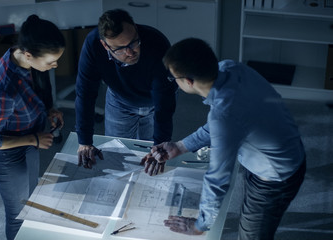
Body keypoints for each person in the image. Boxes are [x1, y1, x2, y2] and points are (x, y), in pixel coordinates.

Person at [144, 38, 306, 240]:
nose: (173, 81)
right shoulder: (230, 68)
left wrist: (200, 225)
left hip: (275, 177)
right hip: (285, 148)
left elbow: (219, 178)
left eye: (173, 78)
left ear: (188, 82)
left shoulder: (225, 115)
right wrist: (180, 146)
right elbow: (223, 126)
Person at [0, 15, 65, 240]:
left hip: (28, 142)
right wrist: (34, 140)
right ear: (28, 55)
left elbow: (35, 92)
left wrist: (49, 110)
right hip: (7, 155)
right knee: (18, 215)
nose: (55, 65)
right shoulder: (5, 91)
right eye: (51, 62)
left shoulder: (23, 56)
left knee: (30, 203)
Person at [74, 9, 178, 168]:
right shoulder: (93, 44)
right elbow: (85, 94)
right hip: (120, 101)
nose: (130, 52)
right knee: (117, 157)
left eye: (133, 42)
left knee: (152, 157)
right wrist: (84, 141)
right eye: (120, 49)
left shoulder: (157, 43)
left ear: (135, 28)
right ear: (105, 45)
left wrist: (160, 147)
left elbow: (164, 104)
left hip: (155, 102)